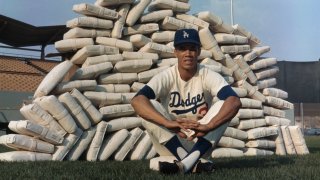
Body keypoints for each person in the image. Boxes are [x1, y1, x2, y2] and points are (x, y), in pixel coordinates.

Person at [131, 28, 241, 174]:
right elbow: (137, 101)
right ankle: (193, 163)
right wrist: (168, 123)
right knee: (149, 105)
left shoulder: (206, 74)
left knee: (223, 104)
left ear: (199, 52)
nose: (188, 54)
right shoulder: (167, 76)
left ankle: (183, 163)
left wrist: (209, 126)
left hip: (201, 139)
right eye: (182, 49)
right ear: (175, 52)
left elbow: (234, 101)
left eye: (192, 49)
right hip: (170, 141)